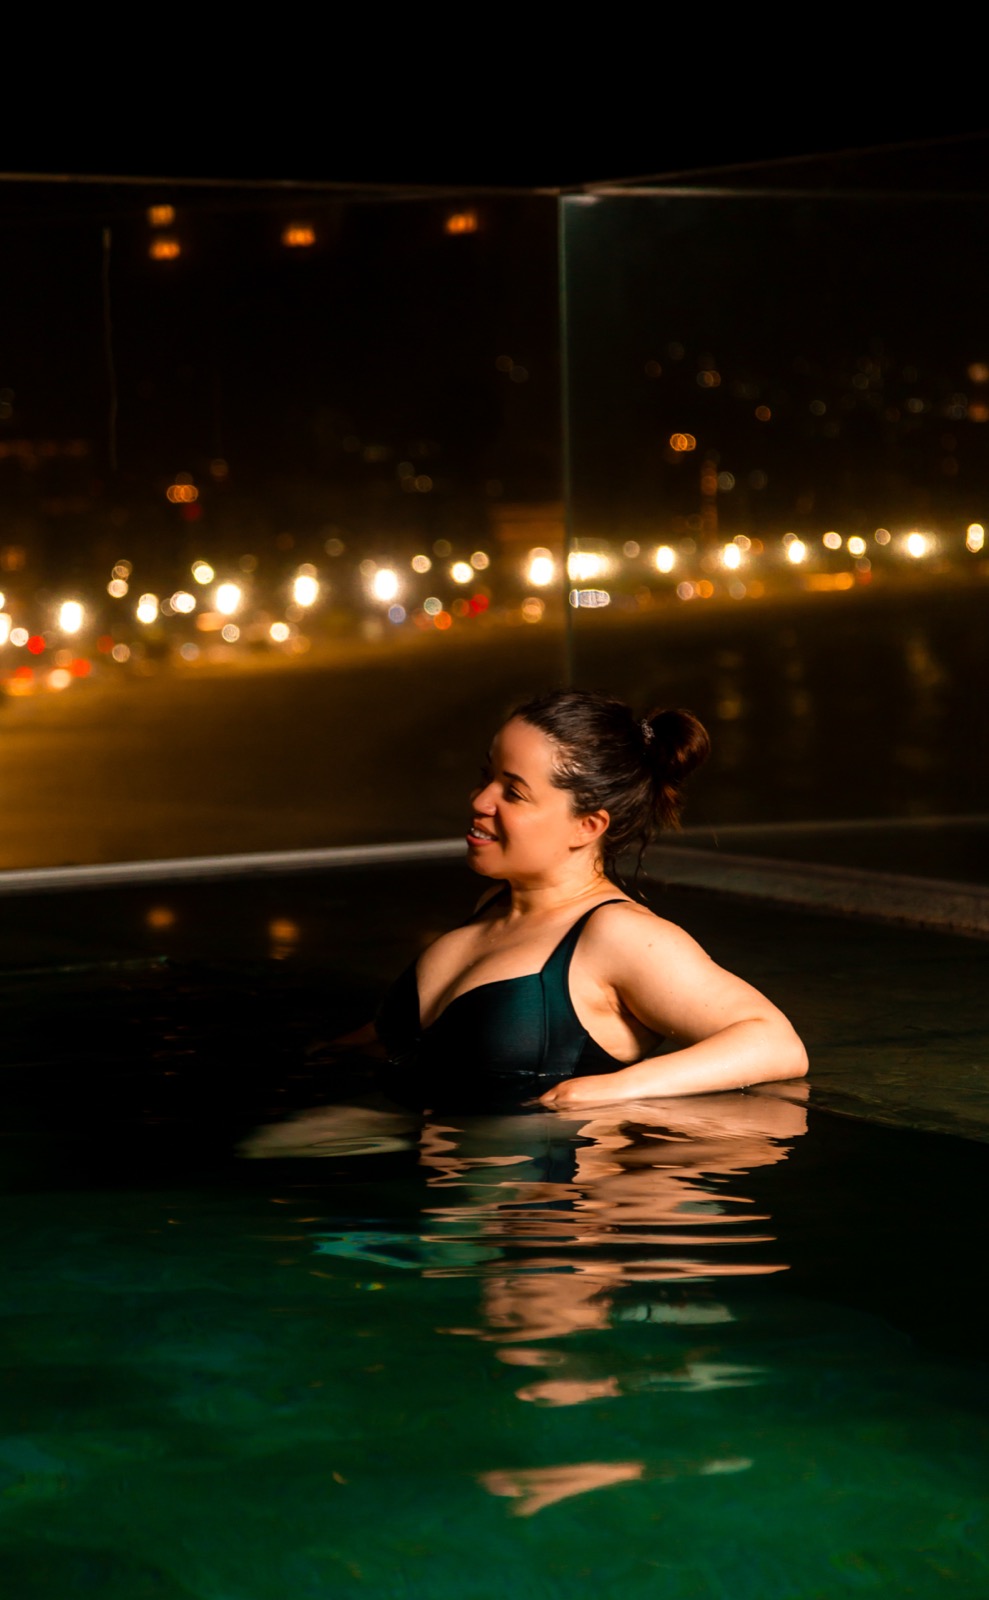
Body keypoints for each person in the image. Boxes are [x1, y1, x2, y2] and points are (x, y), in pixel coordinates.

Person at [375, 688, 807, 1110]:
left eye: (514, 793)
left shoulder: (617, 934)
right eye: (487, 776)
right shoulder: (495, 905)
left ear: (587, 826)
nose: (480, 800)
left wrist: (611, 1089)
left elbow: (774, 1043)